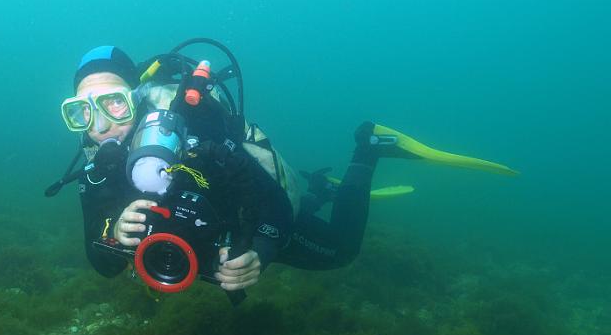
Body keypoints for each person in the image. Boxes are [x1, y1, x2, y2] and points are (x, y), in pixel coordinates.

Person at [55, 43, 518, 293]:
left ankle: (369, 149)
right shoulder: (96, 167)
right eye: (82, 111)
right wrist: (112, 233)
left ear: (137, 99)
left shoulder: (195, 133)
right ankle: (321, 187)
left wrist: (261, 252)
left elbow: (271, 204)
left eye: (114, 102)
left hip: (250, 211)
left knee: (340, 253)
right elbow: (104, 267)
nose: (102, 125)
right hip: (205, 242)